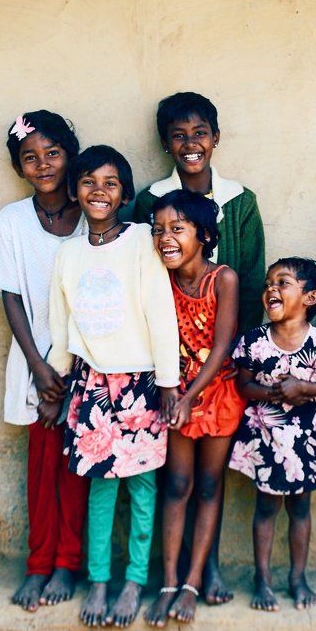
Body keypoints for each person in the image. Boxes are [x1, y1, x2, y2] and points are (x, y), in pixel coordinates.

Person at [133, 90, 266, 604]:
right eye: (179, 135)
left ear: (216, 138)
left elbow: (250, 281)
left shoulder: (240, 201)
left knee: (210, 479)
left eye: (200, 133)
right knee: (178, 479)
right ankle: (174, 573)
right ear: (165, 143)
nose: (191, 143)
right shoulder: (151, 200)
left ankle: (204, 569)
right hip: (170, 370)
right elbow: (142, 277)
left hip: (220, 368)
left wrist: (239, 359)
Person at [46, 145, 178, 628]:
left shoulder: (142, 240)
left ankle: (135, 581)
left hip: (142, 384)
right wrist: (57, 382)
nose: (98, 191)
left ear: (125, 195)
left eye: (110, 183)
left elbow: (161, 311)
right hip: (93, 388)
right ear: (75, 191)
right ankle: (99, 580)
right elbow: (60, 322)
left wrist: (168, 381)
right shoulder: (68, 254)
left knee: (143, 489)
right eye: (88, 182)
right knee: (101, 489)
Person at [0, 111, 88, 612]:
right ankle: (39, 563)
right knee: (43, 471)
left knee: (78, 468)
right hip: (36, 365)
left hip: (88, 363)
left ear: (70, 155)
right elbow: (12, 297)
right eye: (30, 157)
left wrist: (68, 369)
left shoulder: (94, 212)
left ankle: (68, 564)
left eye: (53, 153)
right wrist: (39, 369)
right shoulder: (12, 221)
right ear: (17, 167)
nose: (43, 164)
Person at [143, 190, 246, 628]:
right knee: (177, 484)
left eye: (177, 228)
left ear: (203, 235)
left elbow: (222, 346)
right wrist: (173, 393)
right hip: (176, 394)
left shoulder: (223, 279)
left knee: (207, 485)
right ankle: (169, 581)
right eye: (158, 230)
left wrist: (188, 397)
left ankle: (194, 580)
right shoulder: (157, 278)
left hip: (216, 393)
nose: (165, 237)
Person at [229, 258, 316, 611]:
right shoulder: (253, 341)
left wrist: (304, 387)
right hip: (267, 437)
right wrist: (276, 393)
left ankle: (298, 578)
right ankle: (262, 579)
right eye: (268, 283)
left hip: (306, 441)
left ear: (310, 298)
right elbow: (243, 385)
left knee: (300, 507)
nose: (271, 289)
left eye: (282, 283)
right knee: (266, 507)